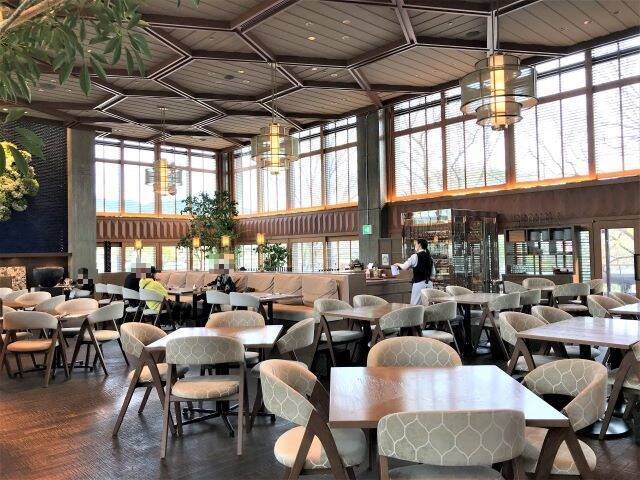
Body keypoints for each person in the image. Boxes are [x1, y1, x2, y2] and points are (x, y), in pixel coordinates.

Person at [393, 238, 435, 305]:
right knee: (428, 306)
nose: (414, 246)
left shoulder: (415, 256)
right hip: (429, 285)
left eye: (415, 244)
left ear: (419, 245)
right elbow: (433, 274)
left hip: (419, 285)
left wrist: (398, 264)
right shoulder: (430, 257)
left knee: (415, 306)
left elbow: (404, 267)